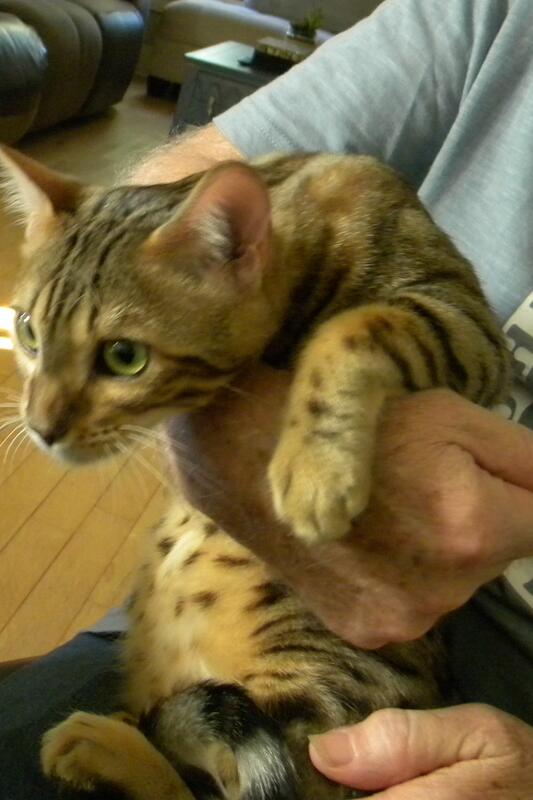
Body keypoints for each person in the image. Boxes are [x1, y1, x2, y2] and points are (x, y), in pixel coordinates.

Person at [2, 0, 533, 797]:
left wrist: (335, 385)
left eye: (118, 359)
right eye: (29, 338)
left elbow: (476, 355)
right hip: (213, 614)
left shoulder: (360, 232)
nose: (42, 419)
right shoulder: (494, 16)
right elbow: (148, 212)